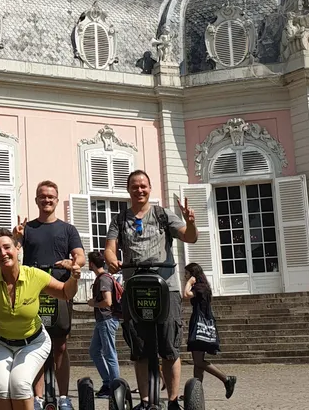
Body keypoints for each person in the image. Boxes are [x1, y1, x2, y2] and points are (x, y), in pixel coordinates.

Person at [0, 228, 81, 410]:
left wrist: (73, 278)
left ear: (17, 248)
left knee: (19, 384)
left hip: (33, 342)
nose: (3, 253)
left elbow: (66, 292)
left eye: (7, 247)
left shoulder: (34, 275)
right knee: (1, 387)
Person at [104, 170, 197, 410]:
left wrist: (191, 221)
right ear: (128, 189)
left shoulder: (163, 215)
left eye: (143, 186)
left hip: (166, 288)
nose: (140, 190)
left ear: (150, 188)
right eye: (135, 186)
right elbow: (110, 248)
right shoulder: (120, 219)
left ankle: (174, 401)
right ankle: (145, 401)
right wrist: (112, 259)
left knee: (169, 347)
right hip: (135, 288)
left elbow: (189, 237)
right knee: (140, 348)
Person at [12, 180, 85, 410]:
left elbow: (80, 256)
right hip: (33, 293)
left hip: (60, 291)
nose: (47, 200)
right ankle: (38, 397)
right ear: (36, 200)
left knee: (60, 345)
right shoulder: (28, 228)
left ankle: (63, 397)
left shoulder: (67, 229)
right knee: (36, 345)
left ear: (56, 199)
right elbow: (13, 253)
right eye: (42, 196)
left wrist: (73, 263)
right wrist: (16, 237)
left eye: (51, 197)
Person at [183, 262, 236, 399]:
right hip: (201, 323)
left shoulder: (200, 287)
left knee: (199, 361)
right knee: (198, 360)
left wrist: (189, 282)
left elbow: (186, 294)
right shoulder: (203, 287)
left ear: (193, 274)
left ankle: (226, 379)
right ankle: (196, 393)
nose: (185, 276)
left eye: (187, 274)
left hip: (201, 325)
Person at [86, 251, 120, 399]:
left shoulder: (103, 280)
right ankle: (107, 382)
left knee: (109, 354)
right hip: (103, 320)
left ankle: (115, 387)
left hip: (107, 319)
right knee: (94, 351)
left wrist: (94, 303)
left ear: (92, 264)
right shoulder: (102, 278)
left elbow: (108, 301)